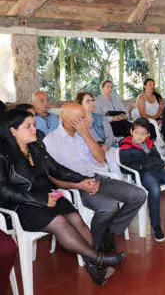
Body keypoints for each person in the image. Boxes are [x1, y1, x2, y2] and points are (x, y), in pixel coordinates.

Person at [0, 109, 126, 286]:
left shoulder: (36, 146)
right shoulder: (3, 154)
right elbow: (4, 190)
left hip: (47, 195)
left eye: (34, 125)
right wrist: (42, 200)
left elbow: (56, 170)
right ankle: (99, 259)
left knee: (76, 218)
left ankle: (95, 266)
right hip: (21, 204)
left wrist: (84, 180)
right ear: (13, 131)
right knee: (60, 222)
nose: (33, 129)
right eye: (28, 126)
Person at [44, 103, 146, 254]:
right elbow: (51, 177)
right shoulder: (51, 141)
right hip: (75, 184)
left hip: (96, 177)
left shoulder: (83, 133)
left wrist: (86, 134)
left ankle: (109, 234)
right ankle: (95, 248)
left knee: (139, 195)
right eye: (81, 118)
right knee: (109, 207)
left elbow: (100, 158)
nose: (85, 121)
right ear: (66, 119)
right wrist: (81, 185)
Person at [76, 92, 121, 175]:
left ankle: (120, 184)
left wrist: (104, 148)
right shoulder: (77, 121)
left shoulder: (101, 118)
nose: (92, 103)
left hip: (107, 147)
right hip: (88, 150)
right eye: (88, 101)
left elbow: (110, 137)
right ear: (80, 104)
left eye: (92, 100)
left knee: (113, 166)